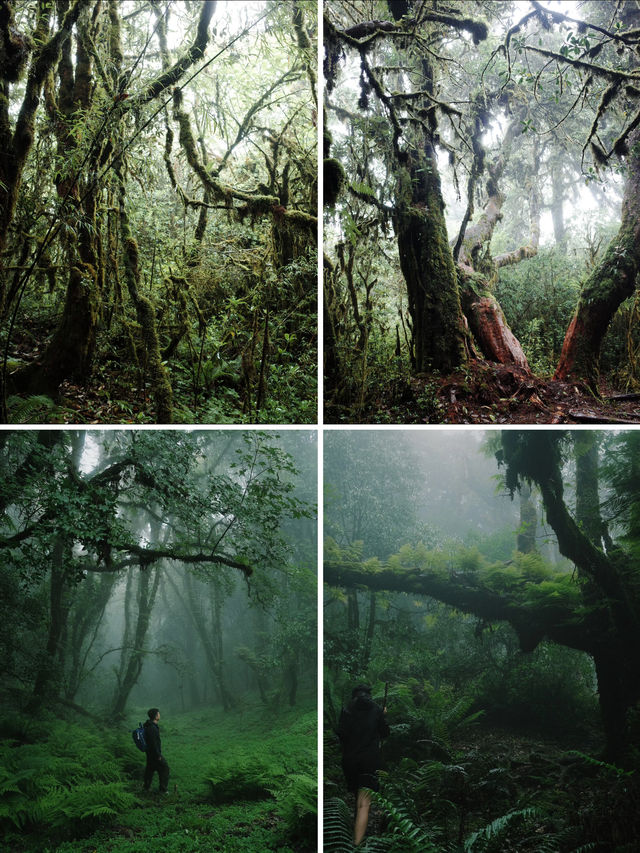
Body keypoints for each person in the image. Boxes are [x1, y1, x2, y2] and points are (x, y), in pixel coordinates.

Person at [337, 684, 390, 846]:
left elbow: (341, 735)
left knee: (357, 798)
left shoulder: (347, 710)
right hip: (370, 760)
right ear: (369, 695)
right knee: (364, 804)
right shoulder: (375, 709)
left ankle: (355, 833)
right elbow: (385, 733)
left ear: (354, 695)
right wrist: (383, 715)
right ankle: (357, 845)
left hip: (350, 761)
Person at [143, 708, 170, 794]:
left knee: (150, 769)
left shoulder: (149, 726)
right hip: (154, 754)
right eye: (158, 713)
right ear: (155, 716)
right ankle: (163, 789)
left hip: (150, 753)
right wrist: (158, 755)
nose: (159, 715)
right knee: (165, 768)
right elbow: (153, 743)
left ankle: (146, 787)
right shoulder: (152, 728)